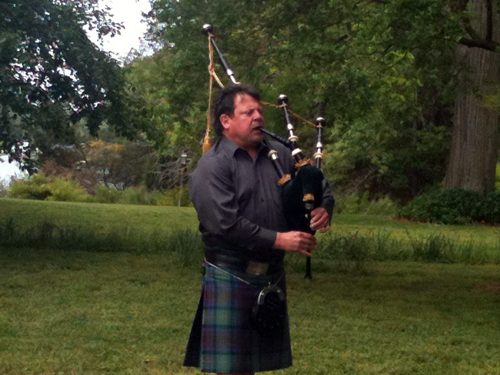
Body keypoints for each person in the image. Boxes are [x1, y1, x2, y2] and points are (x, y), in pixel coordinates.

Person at [183, 84, 335, 375]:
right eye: (248, 112)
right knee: (231, 370)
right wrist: (280, 240)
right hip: (229, 272)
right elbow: (225, 223)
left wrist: (323, 208)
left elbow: (317, 183)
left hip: (270, 274)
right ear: (225, 121)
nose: (258, 117)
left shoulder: (281, 154)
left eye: (259, 111)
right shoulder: (212, 166)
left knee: (248, 368)